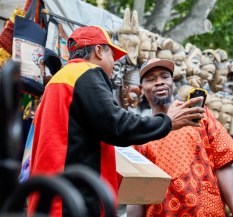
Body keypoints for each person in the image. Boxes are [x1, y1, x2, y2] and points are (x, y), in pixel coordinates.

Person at [28, 26, 205, 217]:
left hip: (48, 198)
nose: (114, 64)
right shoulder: (86, 72)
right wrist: (167, 122)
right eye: (112, 55)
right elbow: (117, 125)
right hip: (70, 201)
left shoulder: (58, 82)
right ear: (98, 51)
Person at [128, 58, 233, 217]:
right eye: (151, 79)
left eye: (164, 76)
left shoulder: (198, 114)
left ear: (172, 82)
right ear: (141, 89)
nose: (159, 82)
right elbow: (136, 193)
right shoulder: (141, 132)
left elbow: (223, 166)